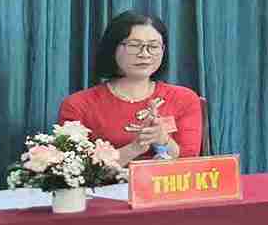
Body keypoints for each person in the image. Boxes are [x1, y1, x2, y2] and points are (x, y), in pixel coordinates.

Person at [58, 11, 203, 163]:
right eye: (134, 45)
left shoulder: (184, 99)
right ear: (112, 48)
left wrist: (164, 140)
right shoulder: (78, 105)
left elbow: (190, 162)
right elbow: (74, 167)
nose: (145, 54)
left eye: (153, 46)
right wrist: (135, 148)